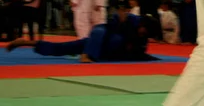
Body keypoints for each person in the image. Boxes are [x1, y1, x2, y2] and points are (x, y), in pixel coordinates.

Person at [6, 8, 158, 63]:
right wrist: (122, 20)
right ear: (142, 24)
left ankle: (25, 42)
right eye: (144, 30)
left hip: (102, 50)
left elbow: (139, 54)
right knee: (103, 32)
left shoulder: (142, 39)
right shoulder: (132, 19)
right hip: (101, 37)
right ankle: (86, 55)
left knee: (61, 48)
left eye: (146, 33)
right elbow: (114, 20)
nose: (143, 34)